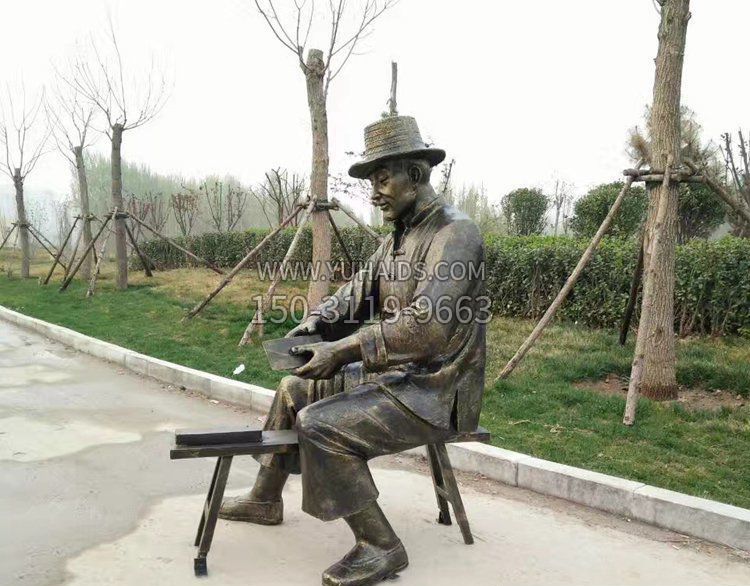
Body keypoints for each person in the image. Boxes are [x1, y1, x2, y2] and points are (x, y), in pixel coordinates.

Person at [220, 115, 487, 586]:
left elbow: (427, 327)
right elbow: (354, 296)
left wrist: (344, 351)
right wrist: (316, 324)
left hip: (437, 391)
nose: (374, 193)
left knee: (320, 424)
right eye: (371, 183)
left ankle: (380, 545)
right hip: (398, 378)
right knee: (293, 389)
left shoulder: (455, 234)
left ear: (415, 175)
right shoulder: (397, 239)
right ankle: (264, 497)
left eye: (382, 179)